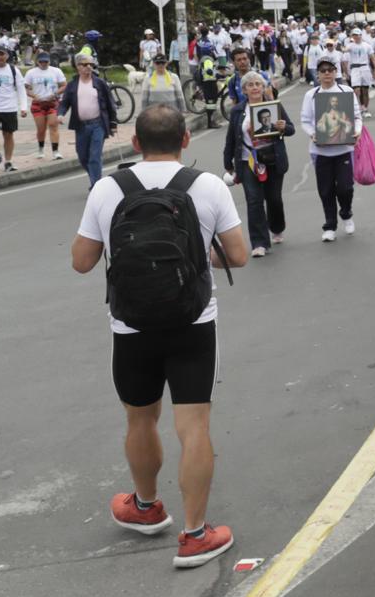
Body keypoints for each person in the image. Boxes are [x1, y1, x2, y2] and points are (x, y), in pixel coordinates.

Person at [70, 104, 249, 569]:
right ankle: (194, 535)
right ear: (186, 140)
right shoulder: (206, 185)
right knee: (194, 427)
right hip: (193, 322)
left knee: (140, 419)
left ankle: (147, 507)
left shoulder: (109, 188)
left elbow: (82, 260)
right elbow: (239, 255)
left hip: (130, 326)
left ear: (134, 144)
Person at [224, 72, 295, 257]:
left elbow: (291, 129)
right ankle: (259, 243)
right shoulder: (238, 111)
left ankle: (277, 227)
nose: (255, 87)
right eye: (251, 85)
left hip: (272, 159)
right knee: (254, 200)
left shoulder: (274, 107)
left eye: (258, 84)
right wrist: (228, 163)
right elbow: (231, 138)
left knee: (274, 199)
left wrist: (282, 127)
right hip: (247, 161)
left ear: (263, 87)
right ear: (245, 89)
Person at [300, 59, 359, 242]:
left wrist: (357, 131)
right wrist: (312, 134)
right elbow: (305, 120)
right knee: (325, 190)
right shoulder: (311, 95)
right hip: (321, 151)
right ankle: (330, 225)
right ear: (318, 74)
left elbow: (356, 116)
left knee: (345, 188)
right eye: (323, 70)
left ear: (336, 72)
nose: (327, 73)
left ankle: (346, 212)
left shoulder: (346, 92)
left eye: (330, 70)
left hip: (343, 149)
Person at [62, 55, 120, 187]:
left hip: (98, 124)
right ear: (78, 67)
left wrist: (113, 123)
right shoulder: (72, 85)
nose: (89, 67)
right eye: (85, 64)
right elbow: (65, 103)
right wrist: (60, 114)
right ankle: (97, 179)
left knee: (94, 156)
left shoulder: (99, 83)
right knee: (83, 157)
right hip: (81, 126)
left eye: (91, 64)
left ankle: (96, 185)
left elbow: (111, 104)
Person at [0, 43, 26, 171]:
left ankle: (8, 161)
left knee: (8, 135)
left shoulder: (14, 70)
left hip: (9, 107)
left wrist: (24, 107)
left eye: (1, 54)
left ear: (7, 56)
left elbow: (21, 90)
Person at [25, 49, 67, 161]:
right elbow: (26, 88)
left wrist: (55, 94)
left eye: (46, 62)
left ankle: (55, 151)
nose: (44, 64)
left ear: (49, 61)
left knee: (53, 125)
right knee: (41, 129)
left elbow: (63, 85)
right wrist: (33, 95)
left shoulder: (56, 71)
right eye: (41, 62)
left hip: (52, 102)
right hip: (38, 104)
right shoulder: (31, 73)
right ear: (37, 62)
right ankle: (41, 149)